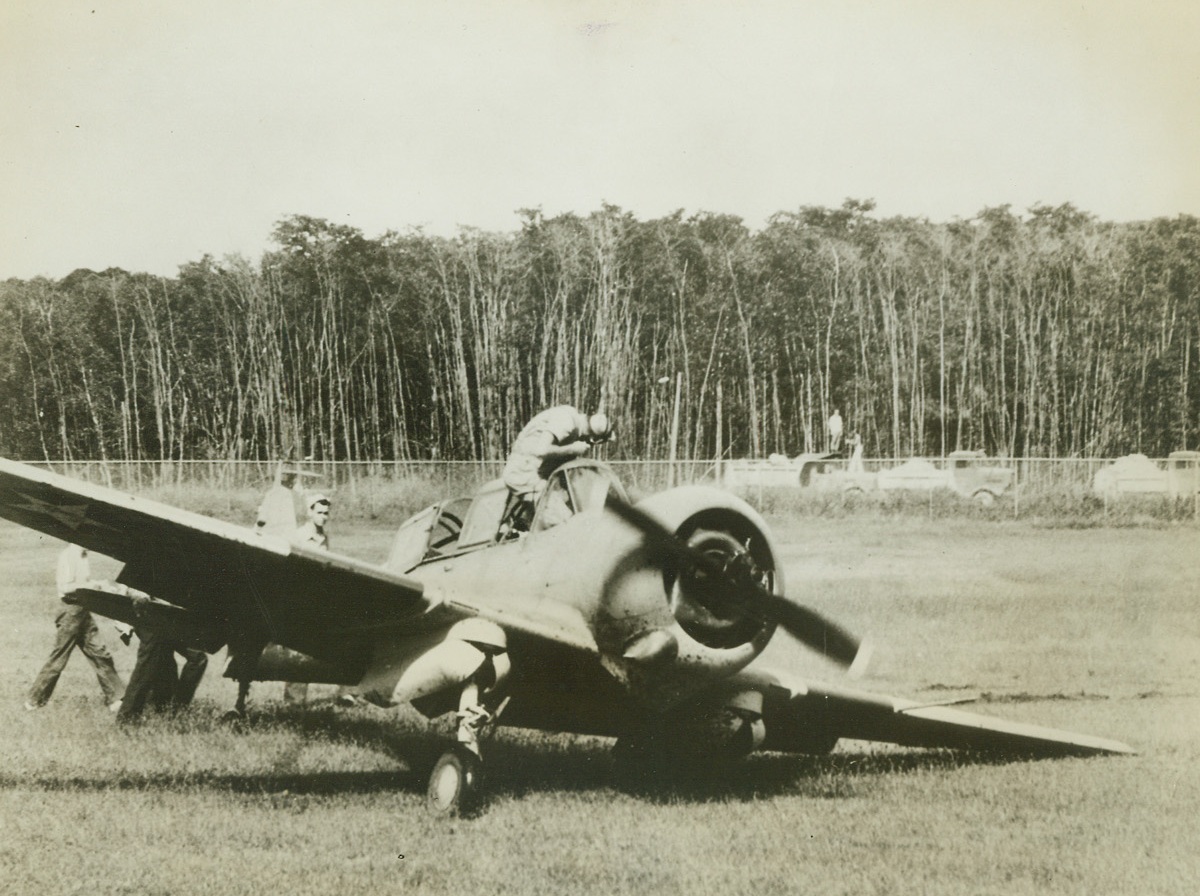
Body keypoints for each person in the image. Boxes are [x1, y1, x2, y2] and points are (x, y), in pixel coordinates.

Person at [26, 544, 125, 711]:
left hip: (82, 611)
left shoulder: (82, 555)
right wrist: (92, 587)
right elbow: (65, 587)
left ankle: (116, 699)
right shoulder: (69, 556)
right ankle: (33, 701)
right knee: (59, 659)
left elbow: (82, 583)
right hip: (70, 612)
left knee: (100, 653)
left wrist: (98, 584)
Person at [502, 406, 612, 528]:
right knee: (565, 523)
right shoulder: (567, 420)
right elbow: (541, 450)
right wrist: (572, 449)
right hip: (523, 473)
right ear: (593, 439)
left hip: (535, 474)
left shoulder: (573, 424)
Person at [116, 604, 208, 726]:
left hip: (170, 618)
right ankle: (126, 718)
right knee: (146, 668)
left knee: (197, 658)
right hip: (150, 617)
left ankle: (176, 711)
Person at [283, 492, 331, 705]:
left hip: (318, 601)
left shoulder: (324, 538)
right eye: (319, 512)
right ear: (309, 512)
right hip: (299, 601)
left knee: (313, 648)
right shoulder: (298, 537)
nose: (324, 517)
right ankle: (293, 701)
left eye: (326, 513)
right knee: (297, 650)